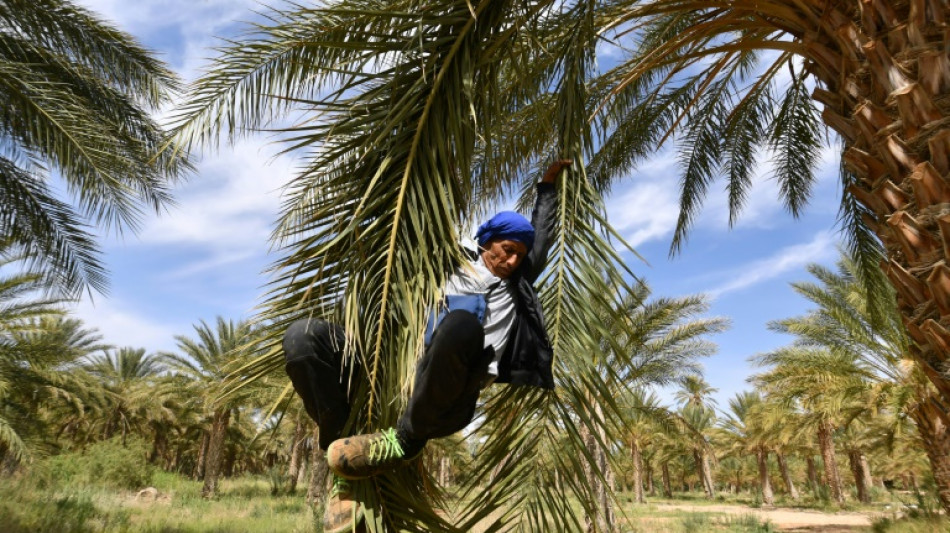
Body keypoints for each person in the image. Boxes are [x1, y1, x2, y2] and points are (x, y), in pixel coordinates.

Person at [283, 159, 571, 533]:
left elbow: (543, 236)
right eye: (507, 248)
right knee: (303, 337)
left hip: (449, 397)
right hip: (395, 369)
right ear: (487, 243)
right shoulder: (446, 261)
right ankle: (343, 448)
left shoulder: (517, 283)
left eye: (520, 254)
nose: (513, 260)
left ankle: (405, 440)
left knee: (462, 325)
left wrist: (547, 187)